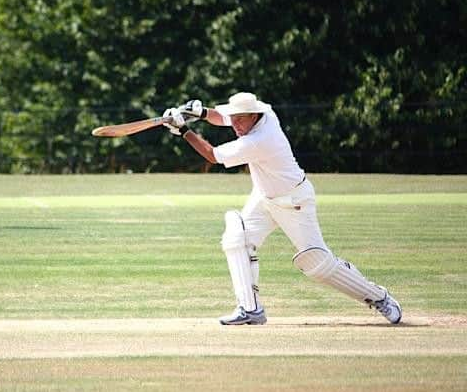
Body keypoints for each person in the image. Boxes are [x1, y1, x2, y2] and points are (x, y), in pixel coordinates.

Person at [162, 92, 401, 325]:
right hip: (264, 197)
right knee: (237, 237)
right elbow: (221, 117)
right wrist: (201, 113)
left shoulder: (260, 140)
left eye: (240, 119)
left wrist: (183, 130)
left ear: (254, 116)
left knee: (318, 265)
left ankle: (379, 297)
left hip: (293, 201)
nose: (234, 123)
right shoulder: (260, 111)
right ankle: (250, 309)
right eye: (233, 118)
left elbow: (212, 155)